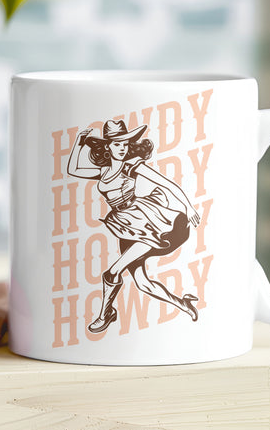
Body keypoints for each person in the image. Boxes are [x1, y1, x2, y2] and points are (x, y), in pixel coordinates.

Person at [67, 119, 201, 333]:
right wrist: (80, 142)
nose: (122, 148)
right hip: (125, 228)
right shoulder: (101, 172)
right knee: (143, 284)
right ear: (108, 146)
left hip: (146, 223)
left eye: (125, 143)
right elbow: (73, 169)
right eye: (117, 143)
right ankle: (183, 304)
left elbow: (167, 183)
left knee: (111, 273)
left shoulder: (132, 166)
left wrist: (189, 207)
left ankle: (105, 315)